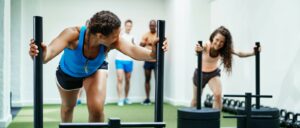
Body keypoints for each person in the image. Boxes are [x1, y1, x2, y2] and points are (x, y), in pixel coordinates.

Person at [29, 11, 168, 122]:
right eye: (115, 35)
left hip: (95, 70)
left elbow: (133, 50)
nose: (118, 38)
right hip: (69, 72)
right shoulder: (73, 35)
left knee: (96, 110)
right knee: (68, 107)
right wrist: (40, 52)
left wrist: (153, 53)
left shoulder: (112, 41)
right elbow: (48, 54)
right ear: (100, 36)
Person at [191, 26, 260, 110]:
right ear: (213, 38)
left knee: (218, 95)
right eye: (217, 40)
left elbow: (239, 53)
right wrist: (197, 49)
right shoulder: (206, 45)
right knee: (195, 100)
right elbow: (199, 49)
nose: (218, 43)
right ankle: (190, 122)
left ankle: (215, 121)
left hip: (213, 74)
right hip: (199, 74)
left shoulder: (223, 49)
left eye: (222, 42)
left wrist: (253, 53)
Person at [115, 19, 135, 106]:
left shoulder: (133, 37)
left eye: (130, 26)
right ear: (125, 26)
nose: (128, 27)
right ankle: (120, 98)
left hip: (129, 60)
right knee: (120, 79)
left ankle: (126, 97)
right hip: (119, 60)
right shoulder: (120, 35)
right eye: (127, 25)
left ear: (131, 27)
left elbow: (134, 48)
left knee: (127, 80)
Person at [140, 20, 157, 105]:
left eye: (153, 25)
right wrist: (144, 43)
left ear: (156, 26)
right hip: (147, 60)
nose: (152, 27)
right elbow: (140, 46)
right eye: (150, 25)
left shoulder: (159, 35)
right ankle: (147, 99)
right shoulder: (146, 35)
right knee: (147, 79)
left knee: (158, 80)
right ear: (149, 26)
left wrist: (152, 44)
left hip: (157, 61)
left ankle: (158, 98)